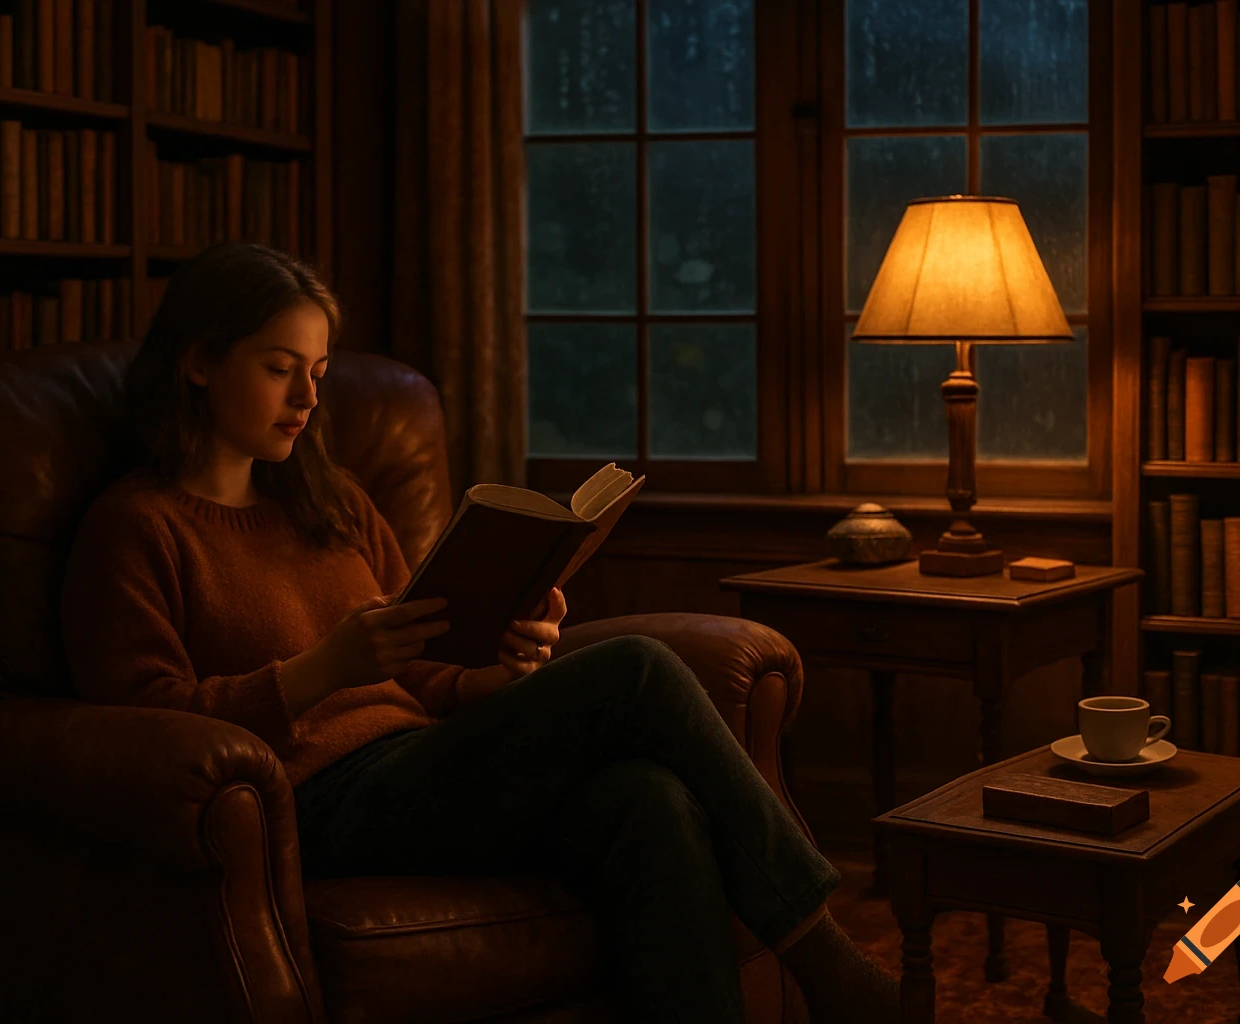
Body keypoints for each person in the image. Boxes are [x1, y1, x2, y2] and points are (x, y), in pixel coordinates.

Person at [60, 241, 900, 1023]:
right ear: (198, 360)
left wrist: (499, 676)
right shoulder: (138, 526)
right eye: (280, 369)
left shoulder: (331, 503)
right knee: (636, 669)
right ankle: (822, 957)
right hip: (311, 804)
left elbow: (420, 668)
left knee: (650, 800)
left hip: (422, 766)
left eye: (316, 371)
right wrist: (321, 670)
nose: (309, 399)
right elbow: (147, 722)